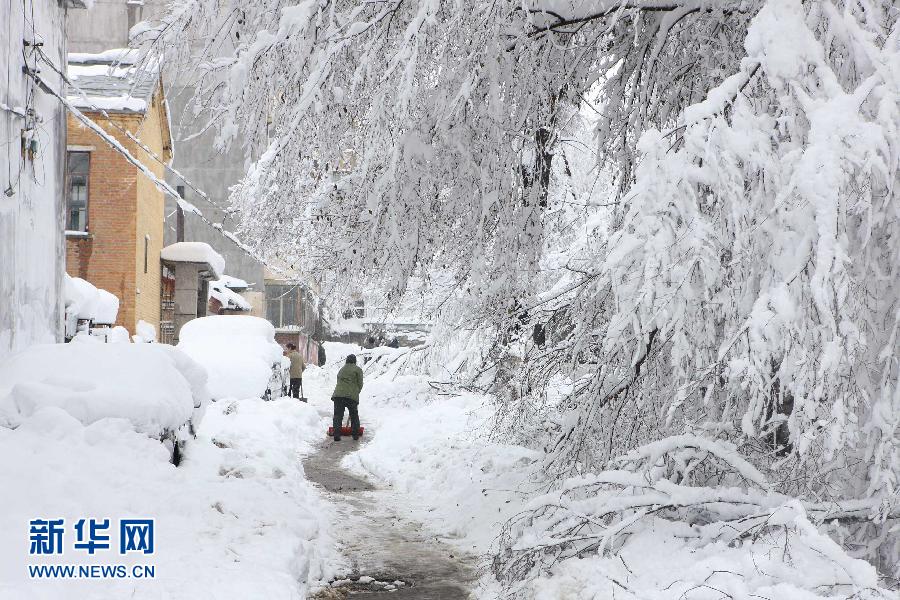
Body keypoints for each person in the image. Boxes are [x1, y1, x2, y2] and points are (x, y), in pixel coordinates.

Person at [331, 354, 363, 441]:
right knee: (354, 415)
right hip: (351, 396)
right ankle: (355, 434)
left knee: (338, 415)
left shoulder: (341, 369)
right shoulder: (358, 369)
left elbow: (338, 382)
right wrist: (356, 392)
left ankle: (336, 434)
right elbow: (360, 384)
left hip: (338, 396)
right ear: (355, 361)